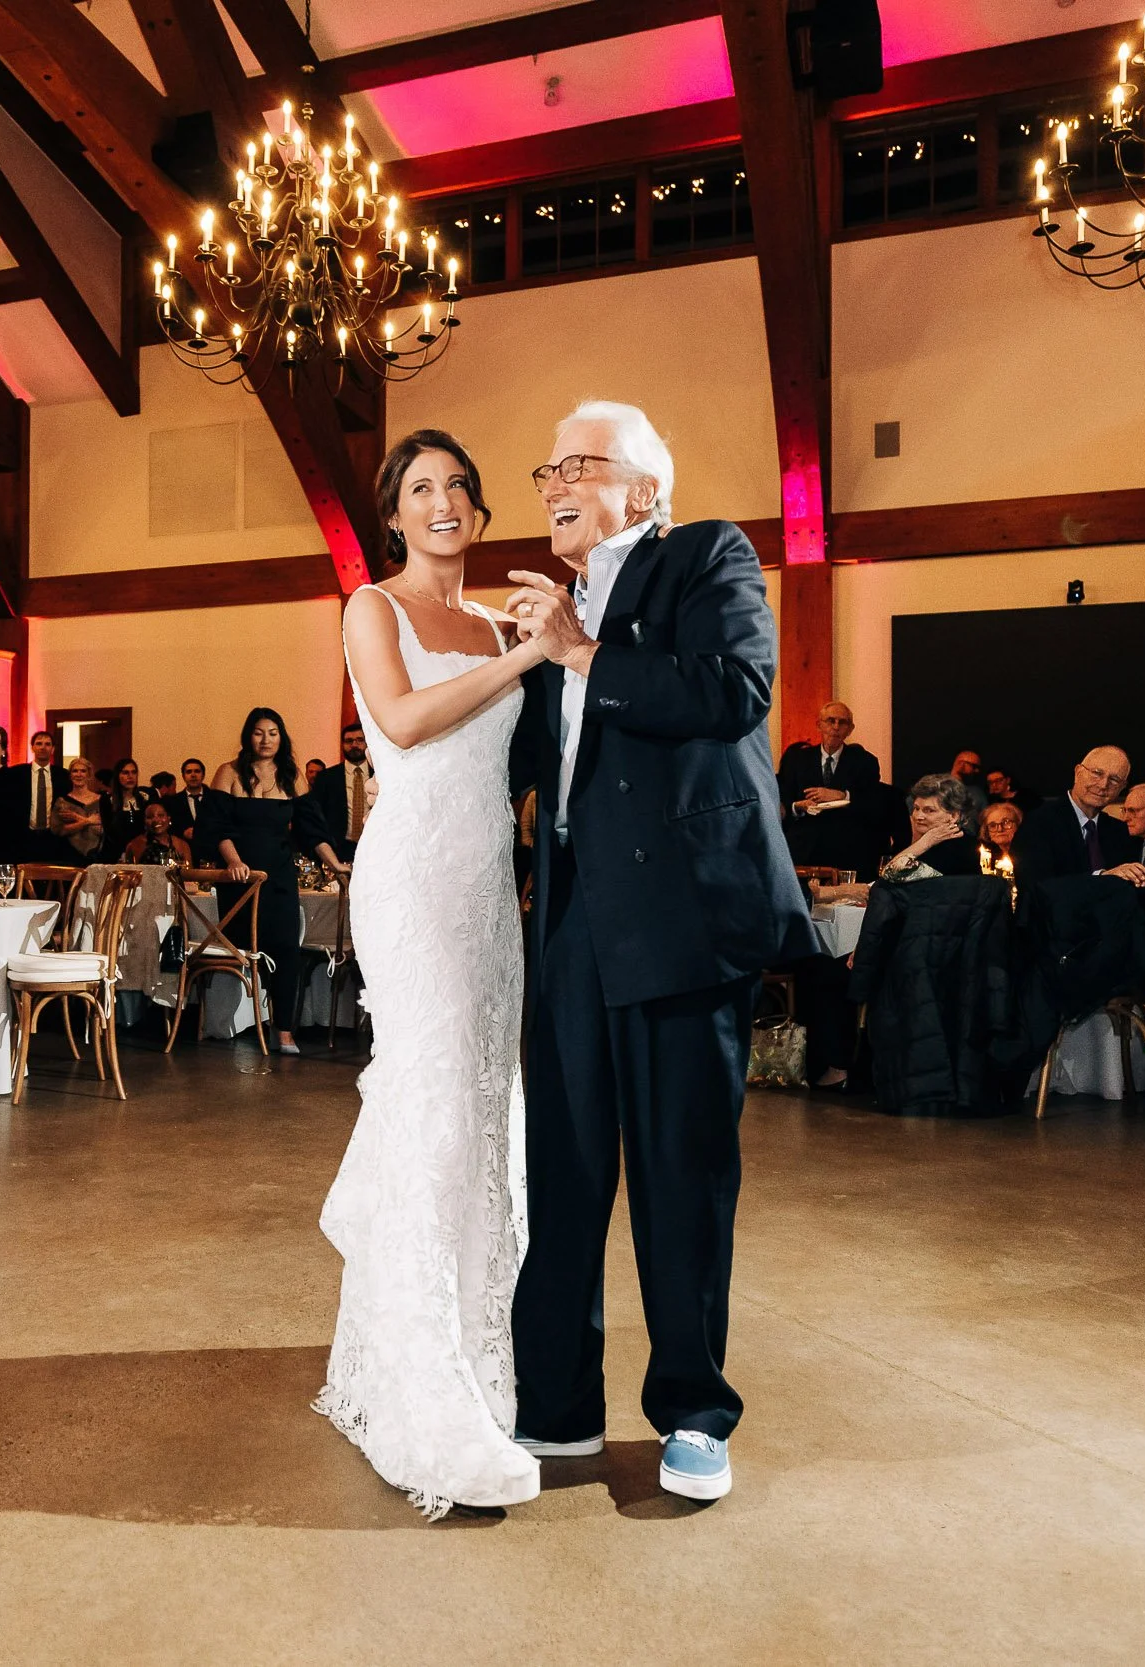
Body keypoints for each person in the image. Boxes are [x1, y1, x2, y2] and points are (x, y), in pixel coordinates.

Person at [501, 399, 812, 1504]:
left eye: (573, 463)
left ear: (639, 488)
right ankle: (555, 1402)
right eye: (546, 467)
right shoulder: (549, 608)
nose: (549, 482)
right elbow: (531, 760)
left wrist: (585, 649)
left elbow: (735, 690)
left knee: (680, 1176)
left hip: (684, 916)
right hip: (576, 917)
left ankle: (692, 1410)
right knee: (563, 1168)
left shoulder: (704, 557)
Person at [317, 426, 550, 1519]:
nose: (444, 500)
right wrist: (521, 657)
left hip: (486, 894)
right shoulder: (375, 605)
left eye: (460, 483)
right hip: (411, 885)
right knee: (434, 1114)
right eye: (422, 489)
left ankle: (475, 1355)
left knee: (483, 1116)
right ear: (395, 515)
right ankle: (422, 1393)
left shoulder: (502, 616)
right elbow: (403, 725)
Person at [202, 710, 309, 1053]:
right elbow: (216, 826)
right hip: (240, 878)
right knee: (248, 947)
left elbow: (312, 828)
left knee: (288, 950)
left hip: (279, 876)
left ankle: (285, 1031)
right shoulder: (228, 773)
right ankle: (238, 1021)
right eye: (259, 733)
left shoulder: (294, 776)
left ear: (282, 737)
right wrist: (233, 861)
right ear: (248, 736)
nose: (266, 740)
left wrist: (337, 863)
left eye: (273, 733)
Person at [778, 700, 881, 872]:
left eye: (842, 722)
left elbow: (874, 804)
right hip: (804, 848)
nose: (836, 727)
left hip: (848, 848)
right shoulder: (797, 760)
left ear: (850, 729)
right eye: (830, 721)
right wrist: (798, 806)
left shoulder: (865, 762)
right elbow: (783, 800)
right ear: (819, 725)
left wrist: (843, 795)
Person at [1013, 746, 1139, 883]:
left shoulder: (1119, 831)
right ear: (1078, 772)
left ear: (1122, 787)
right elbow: (1038, 888)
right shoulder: (1038, 823)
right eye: (1097, 773)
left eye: (1114, 780)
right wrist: (1101, 878)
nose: (1103, 785)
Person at [300, 722, 376, 875]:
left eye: (360, 740)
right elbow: (316, 817)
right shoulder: (326, 777)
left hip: (375, 847)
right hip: (337, 850)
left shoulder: (380, 775)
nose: (355, 745)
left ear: (368, 743)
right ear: (342, 744)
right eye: (349, 741)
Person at [878, 774, 982, 882]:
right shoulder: (947, 840)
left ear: (954, 815)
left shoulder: (955, 847)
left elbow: (890, 874)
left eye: (929, 810)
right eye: (916, 808)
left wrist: (925, 842)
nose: (918, 816)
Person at [0, 729, 74, 861]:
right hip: (23, 838)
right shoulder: (16, 773)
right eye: (39, 743)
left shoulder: (63, 775)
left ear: (53, 749)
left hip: (54, 838)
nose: (43, 747)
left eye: (47, 744)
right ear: (32, 747)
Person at [49, 756, 108, 859]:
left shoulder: (101, 800)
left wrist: (76, 818)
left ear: (89, 775)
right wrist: (88, 821)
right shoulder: (62, 802)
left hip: (98, 854)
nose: (79, 774)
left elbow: (104, 829)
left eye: (83, 771)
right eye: (75, 771)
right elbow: (58, 831)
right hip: (68, 855)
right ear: (70, 775)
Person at [99, 758, 155, 855]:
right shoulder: (108, 800)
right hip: (115, 851)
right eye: (125, 773)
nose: (130, 776)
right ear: (118, 776)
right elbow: (109, 830)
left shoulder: (144, 798)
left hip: (142, 850)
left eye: (133, 772)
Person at [120, 800, 191, 866]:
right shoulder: (134, 846)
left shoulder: (182, 845)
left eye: (160, 815)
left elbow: (188, 875)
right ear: (144, 821)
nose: (156, 820)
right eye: (150, 817)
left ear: (168, 818)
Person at [164, 758, 209, 841]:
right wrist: (182, 833)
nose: (193, 775)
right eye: (189, 772)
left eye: (197, 771)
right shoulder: (172, 802)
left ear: (203, 775)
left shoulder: (215, 799)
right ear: (183, 776)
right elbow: (168, 828)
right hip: (185, 849)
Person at [979, 800, 1023, 868]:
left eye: (1006, 822)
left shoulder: (1030, 855)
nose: (1000, 829)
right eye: (993, 825)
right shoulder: (986, 860)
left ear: (1018, 824)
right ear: (987, 832)